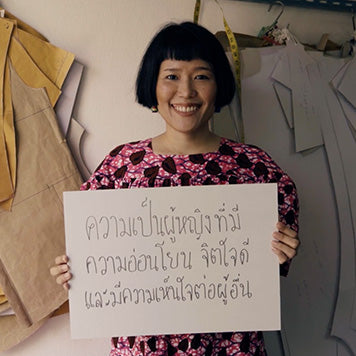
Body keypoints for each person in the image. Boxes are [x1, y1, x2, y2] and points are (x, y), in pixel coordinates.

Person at [50, 21, 300, 356]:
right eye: (171, 76)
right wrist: (74, 270)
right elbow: (91, 255)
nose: (186, 91)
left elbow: (269, 266)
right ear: (152, 85)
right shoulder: (123, 166)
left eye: (201, 75)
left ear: (218, 84)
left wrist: (282, 249)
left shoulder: (254, 169)